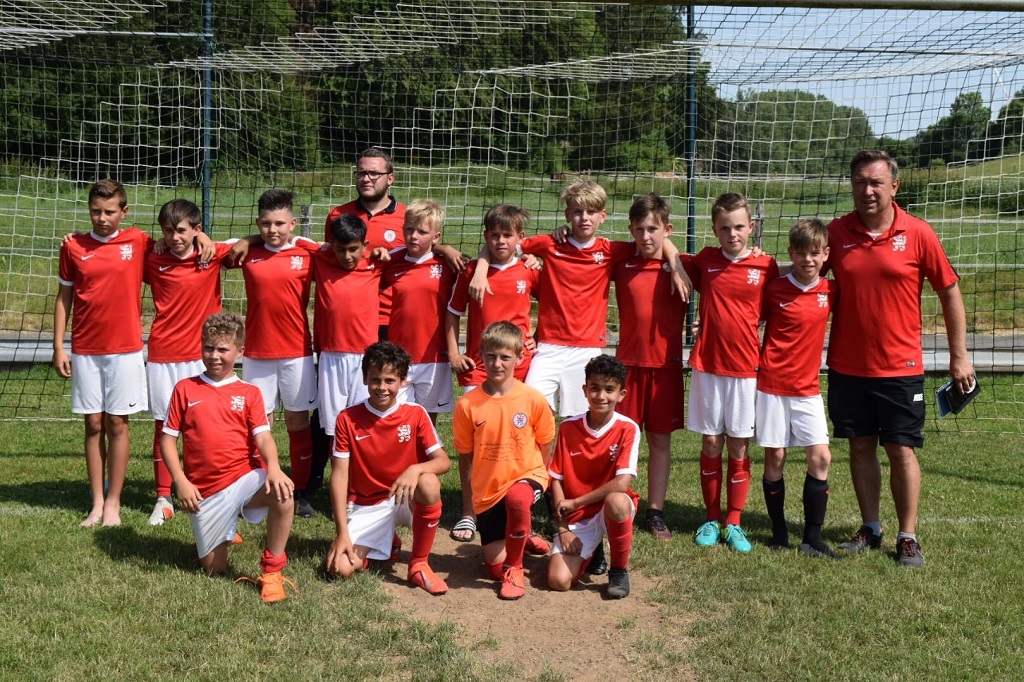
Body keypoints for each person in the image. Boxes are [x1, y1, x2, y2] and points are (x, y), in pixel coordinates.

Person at [825, 149, 974, 567]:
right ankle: (870, 528)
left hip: (900, 367)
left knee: (901, 449)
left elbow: (949, 292)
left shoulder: (919, 232)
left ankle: (907, 536)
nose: (867, 190)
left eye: (875, 182)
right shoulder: (835, 233)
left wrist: (959, 356)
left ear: (894, 186)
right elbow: (805, 280)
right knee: (860, 448)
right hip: (847, 366)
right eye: (859, 182)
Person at [470, 180, 690, 418]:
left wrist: (676, 265)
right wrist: (481, 269)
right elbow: (503, 243)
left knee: (583, 417)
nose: (584, 218)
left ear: (602, 216)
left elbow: (657, 238)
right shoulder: (550, 243)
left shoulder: (610, 250)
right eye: (577, 211)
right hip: (549, 347)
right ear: (567, 214)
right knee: (530, 408)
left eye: (591, 212)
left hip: (587, 348)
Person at [160, 312, 296, 603]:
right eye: (209, 348)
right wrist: (181, 482)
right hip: (204, 491)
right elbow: (167, 441)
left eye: (223, 349)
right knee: (214, 568)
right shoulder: (185, 388)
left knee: (283, 493)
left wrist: (274, 467)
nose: (215, 356)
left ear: (239, 352)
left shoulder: (249, 392)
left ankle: (272, 572)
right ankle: (224, 530)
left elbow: (263, 437)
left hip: (243, 476)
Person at [683, 192, 779, 553]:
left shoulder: (766, 266)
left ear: (751, 227)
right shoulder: (706, 260)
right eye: (724, 228)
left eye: (739, 227)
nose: (732, 234)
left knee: (738, 444)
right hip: (708, 365)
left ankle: (734, 521)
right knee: (711, 442)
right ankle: (711, 517)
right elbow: (669, 254)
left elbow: (772, 311)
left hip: (745, 368)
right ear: (714, 230)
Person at [52, 178, 151, 527]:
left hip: (125, 350)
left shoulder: (138, 241)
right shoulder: (73, 246)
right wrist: (58, 346)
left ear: (124, 212)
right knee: (93, 423)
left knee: (117, 423)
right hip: (86, 349)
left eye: (109, 211)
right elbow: (64, 298)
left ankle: (113, 503)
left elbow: (176, 242)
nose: (102, 218)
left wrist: (201, 237)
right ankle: (96, 502)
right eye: (96, 211)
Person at [445, 203, 540, 542]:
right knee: (472, 443)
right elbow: (453, 313)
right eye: (494, 235)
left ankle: (515, 505)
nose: (500, 241)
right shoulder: (472, 271)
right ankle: (469, 511)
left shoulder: (530, 270)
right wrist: (454, 353)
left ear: (519, 237)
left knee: (516, 438)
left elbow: (554, 304)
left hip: (519, 368)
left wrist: (538, 335)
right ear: (486, 236)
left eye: (507, 235)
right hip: (478, 367)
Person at [325, 341, 451, 596]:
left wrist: (414, 470)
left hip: (405, 498)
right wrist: (342, 533)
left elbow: (443, 461)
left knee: (428, 482)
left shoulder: (415, 414)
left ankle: (419, 564)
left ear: (403, 381)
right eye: (375, 380)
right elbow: (339, 476)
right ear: (365, 379)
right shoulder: (347, 418)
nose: (382, 387)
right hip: (367, 504)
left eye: (390, 380)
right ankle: (385, 542)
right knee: (340, 568)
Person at [451, 321, 557, 600]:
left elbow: (546, 444)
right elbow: (465, 458)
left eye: (505, 357)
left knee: (518, 499)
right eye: (491, 356)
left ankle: (515, 567)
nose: (497, 364)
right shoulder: (467, 405)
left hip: (527, 478)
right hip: (489, 492)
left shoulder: (533, 399)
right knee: (493, 569)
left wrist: (541, 477)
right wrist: (469, 508)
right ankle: (522, 535)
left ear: (519, 358)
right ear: (480, 355)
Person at [232, 189, 318, 518]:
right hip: (257, 352)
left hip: (296, 351)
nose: (273, 230)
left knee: (297, 421)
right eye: (266, 224)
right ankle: (262, 486)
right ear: (258, 223)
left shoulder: (308, 253)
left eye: (280, 224)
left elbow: (342, 250)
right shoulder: (247, 252)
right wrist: (247, 240)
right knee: (260, 424)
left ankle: (300, 490)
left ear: (292, 224)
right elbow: (209, 248)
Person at [144, 199, 230, 526]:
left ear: (196, 229)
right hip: (164, 354)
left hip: (201, 355)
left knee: (205, 426)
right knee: (164, 426)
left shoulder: (212, 254)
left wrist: (206, 239)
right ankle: (163, 498)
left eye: (181, 230)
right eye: (168, 231)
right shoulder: (153, 257)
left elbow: (251, 243)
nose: (174, 237)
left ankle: (208, 491)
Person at [757, 219, 839, 559]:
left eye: (815, 253)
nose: (808, 260)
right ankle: (779, 533)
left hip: (808, 389)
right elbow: (747, 319)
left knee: (821, 456)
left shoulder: (831, 291)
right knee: (775, 457)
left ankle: (812, 538)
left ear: (825, 255)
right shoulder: (774, 289)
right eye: (801, 253)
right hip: (772, 386)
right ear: (791, 253)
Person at [612, 194, 686, 542]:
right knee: (620, 439)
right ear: (631, 230)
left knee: (659, 440)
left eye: (653, 230)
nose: (646, 236)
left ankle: (655, 512)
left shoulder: (684, 266)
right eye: (639, 229)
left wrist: (675, 260)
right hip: (627, 367)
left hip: (665, 367)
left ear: (667, 230)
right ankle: (620, 501)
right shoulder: (621, 261)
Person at [547, 355, 640, 599]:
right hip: (579, 515)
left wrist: (576, 502)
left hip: (608, 507)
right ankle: (591, 550)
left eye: (609, 389)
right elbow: (556, 479)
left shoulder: (628, 428)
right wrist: (563, 529)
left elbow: (622, 484)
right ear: (585, 390)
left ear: (621, 394)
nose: (601, 396)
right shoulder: (568, 428)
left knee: (616, 500)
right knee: (558, 581)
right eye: (595, 388)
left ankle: (618, 570)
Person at [311, 213, 386, 458]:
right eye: (340, 249)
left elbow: (413, 253)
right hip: (331, 357)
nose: (346, 256)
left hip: (365, 356)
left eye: (353, 249)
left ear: (365, 245)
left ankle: (364, 475)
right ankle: (340, 476)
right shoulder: (321, 258)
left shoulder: (377, 262)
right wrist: (249, 240)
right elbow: (289, 240)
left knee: (364, 421)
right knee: (333, 427)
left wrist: (446, 249)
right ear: (331, 245)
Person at [379, 199, 457, 424]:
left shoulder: (448, 264)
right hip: (399, 355)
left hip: (434, 357)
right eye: (409, 229)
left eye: (422, 232)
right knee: (396, 418)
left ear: (436, 236)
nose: (413, 236)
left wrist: (446, 250)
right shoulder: (391, 260)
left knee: (426, 422)